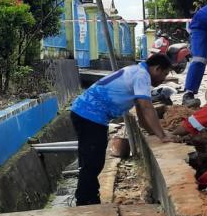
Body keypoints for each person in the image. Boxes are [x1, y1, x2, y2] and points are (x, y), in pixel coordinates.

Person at [70, 53, 174, 205]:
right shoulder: (142, 75)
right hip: (90, 116)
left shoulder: (135, 70)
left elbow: (140, 107)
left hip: (85, 113)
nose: (163, 79)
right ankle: (86, 202)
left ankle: (87, 198)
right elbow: (146, 106)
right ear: (157, 69)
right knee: (93, 162)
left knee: (90, 160)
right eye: (164, 74)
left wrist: (152, 131)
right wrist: (163, 136)